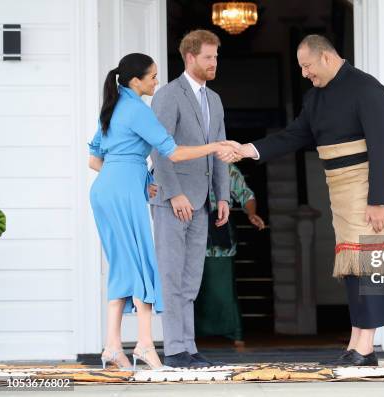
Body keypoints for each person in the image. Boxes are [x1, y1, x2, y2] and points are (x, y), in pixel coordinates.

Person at [237, 34, 384, 367]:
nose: (304, 73)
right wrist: (249, 149)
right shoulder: (315, 98)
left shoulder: (368, 89)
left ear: (327, 58)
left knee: (371, 266)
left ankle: (365, 347)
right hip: (341, 188)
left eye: (307, 66)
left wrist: (379, 200)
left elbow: (383, 145)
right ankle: (356, 342)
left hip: (370, 186)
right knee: (352, 268)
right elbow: (295, 134)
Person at [88, 53, 239, 370]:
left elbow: (95, 161)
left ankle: (113, 347)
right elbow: (173, 152)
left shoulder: (113, 107)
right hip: (124, 194)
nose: (157, 81)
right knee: (143, 265)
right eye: (153, 76)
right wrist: (214, 146)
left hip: (104, 191)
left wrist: (139, 179)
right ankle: (144, 345)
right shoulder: (137, 110)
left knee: (122, 266)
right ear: (136, 81)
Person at [149, 29, 231, 369]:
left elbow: (221, 149)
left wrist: (223, 196)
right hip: (174, 200)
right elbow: (159, 147)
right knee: (171, 275)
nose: (214, 62)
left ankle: (188, 345)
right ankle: (174, 349)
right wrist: (174, 193)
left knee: (190, 277)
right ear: (190, 57)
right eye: (209, 57)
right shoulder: (169, 94)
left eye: (216, 57)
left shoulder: (214, 99)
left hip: (202, 202)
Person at [194, 164, 266, 347]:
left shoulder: (225, 168)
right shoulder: (183, 161)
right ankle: (188, 336)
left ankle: (235, 333)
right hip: (190, 231)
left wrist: (252, 213)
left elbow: (246, 194)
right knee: (191, 288)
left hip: (220, 230)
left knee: (223, 287)